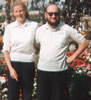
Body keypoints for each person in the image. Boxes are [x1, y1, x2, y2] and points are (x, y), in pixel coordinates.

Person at [35, 3, 88, 100]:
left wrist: (73, 57)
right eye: (50, 14)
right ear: (46, 15)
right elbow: (36, 47)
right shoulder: (40, 30)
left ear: (59, 14)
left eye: (56, 13)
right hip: (42, 72)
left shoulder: (66, 29)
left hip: (59, 72)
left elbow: (84, 42)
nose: (53, 16)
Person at [3, 1, 38, 100]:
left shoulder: (34, 26)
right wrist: (11, 69)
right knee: (12, 96)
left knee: (27, 96)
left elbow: (39, 45)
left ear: (25, 11)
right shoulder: (10, 28)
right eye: (16, 11)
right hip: (13, 65)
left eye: (21, 11)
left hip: (28, 65)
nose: (19, 14)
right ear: (13, 13)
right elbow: (6, 50)